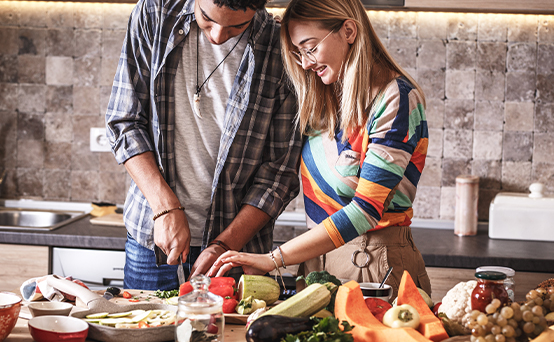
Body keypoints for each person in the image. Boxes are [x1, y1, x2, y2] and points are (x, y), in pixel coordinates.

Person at [207, 0, 431, 300]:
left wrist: (273, 259)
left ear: (348, 30)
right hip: (316, 266)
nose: (306, 63)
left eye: (310, 48)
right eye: (298, 54)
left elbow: (365, 211)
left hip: (372, 265)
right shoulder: (325, 97)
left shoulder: (397, 99)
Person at [105, 0, 302, 291]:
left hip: (237, 252)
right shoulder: (155, 13)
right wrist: (164, 209)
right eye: (207, 19)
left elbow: (279, 174)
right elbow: (124, 121)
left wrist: (224, 244)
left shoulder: (280, 45)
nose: (218, 36)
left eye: (237, 26)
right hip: (153, 243)